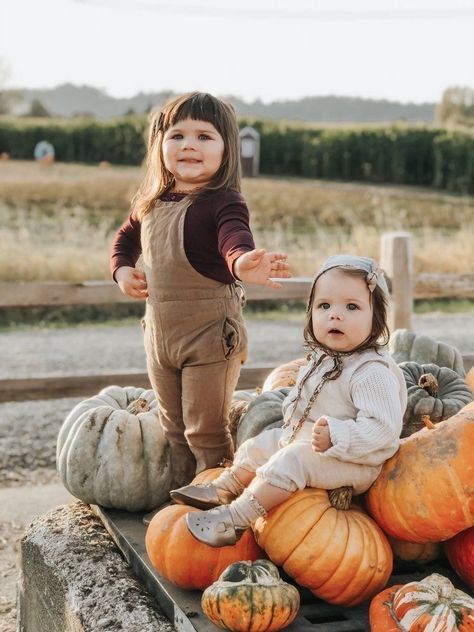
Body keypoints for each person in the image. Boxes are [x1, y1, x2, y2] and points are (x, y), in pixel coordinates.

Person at [110, 92, 290, 490]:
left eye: (204, 137)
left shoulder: (223, 202)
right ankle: (177, 500)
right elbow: (125, 240)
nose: (189, 144)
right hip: (160, 337)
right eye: (177, 135)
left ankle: (215, 498)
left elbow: (234, 240)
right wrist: (122, 270)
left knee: (204, 432)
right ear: (160, 145)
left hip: (210, 338)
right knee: (172, 428)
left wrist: (243, 263)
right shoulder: (151, 203)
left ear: (226, 150)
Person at [171, 254, 407, 546]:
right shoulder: (326, 358)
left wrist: (337, 434)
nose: (335, 315)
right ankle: (223, 487)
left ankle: (235, 519)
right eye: (324, 306)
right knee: (260, 445)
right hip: (312, 440)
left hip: (356, 461)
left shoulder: (371, 372)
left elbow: (382, 429)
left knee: (291, 460)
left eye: (352, 307)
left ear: (377, 318)